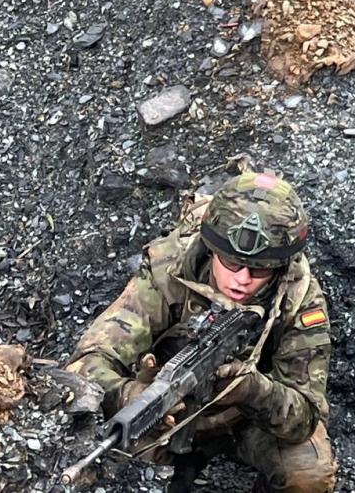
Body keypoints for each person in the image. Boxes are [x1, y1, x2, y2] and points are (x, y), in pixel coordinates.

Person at [66, 171, 335, 493]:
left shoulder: (298, 298)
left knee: (309, 475)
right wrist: (126, 395)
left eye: (260, 269)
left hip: (247, 420)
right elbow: (86, 364)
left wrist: (251, 390)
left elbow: (305, 417)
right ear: (210, 249)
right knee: (117, 462)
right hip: (170, 414)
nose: (242, 279)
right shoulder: (167, 271)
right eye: (231, 263)